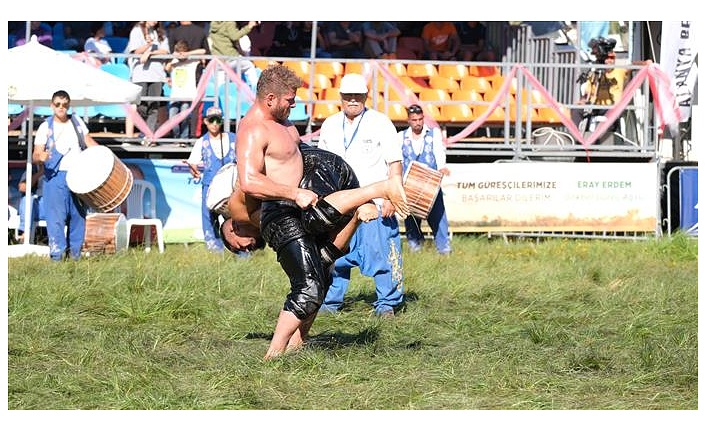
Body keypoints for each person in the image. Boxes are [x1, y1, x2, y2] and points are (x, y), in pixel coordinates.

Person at [233, 64, 409, 359]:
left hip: (303, 205)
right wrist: (294, 192)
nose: (294, 104)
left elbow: (303, 156)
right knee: (308, 285)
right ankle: (272, 357)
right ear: (271, 99)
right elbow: (250, 181)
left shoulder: (285, 124)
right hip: (280, 213)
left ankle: (296, 347)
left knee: (325, 272)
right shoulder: (253, 129)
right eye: (290, 100)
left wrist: (333, 175)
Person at [317, 73, 407, 318]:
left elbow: (394, 163)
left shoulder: (380, 122)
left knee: (382, 253)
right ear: (341, 98)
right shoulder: (330, 124)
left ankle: (387, 303)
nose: (353, 100)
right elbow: (322, 164)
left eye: (358, 96)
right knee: (336, 253)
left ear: (366, 96)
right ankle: (330, 301)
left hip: (375, 202)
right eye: (348, 96)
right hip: (341, 203)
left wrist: (391, 197)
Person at [32, 90, 100, 261]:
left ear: (69, 105)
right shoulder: (45, 126)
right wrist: (41, 156)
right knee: (56, 220)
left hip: (78, 176)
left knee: (78, 217)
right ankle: (57, 257)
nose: (61, 108)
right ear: (51, 106)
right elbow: (35, 154)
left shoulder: (77, 122)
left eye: (65, 104)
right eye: (58, 104)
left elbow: (89, 141)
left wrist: (104, 155)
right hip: (55, 177)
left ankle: (75, 257)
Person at [398, 104, 452, 255]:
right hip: (409, 186)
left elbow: (439, 152)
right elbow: (398, 160)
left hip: (431, 184)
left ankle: (444, 248)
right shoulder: (400, 137)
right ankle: (415, 247)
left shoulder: (433, 133)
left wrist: (442, 166)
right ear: (408, 120)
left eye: (420, 119)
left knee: (439, 217)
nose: (418, 122)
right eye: (414, 120)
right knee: (411, 219)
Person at [186, 107, 236, 253]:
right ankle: (215, 252)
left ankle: (241, 249)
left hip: (232, 188)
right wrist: (194, 171)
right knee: (209, 220)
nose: (214, 123)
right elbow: (193, 163)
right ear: (205, 122)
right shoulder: (201, 142)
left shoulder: (233, 138)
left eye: (218, 120)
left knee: (237, 218)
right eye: (211, 120)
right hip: (210, 188)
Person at [125, 21, 170, 146]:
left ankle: (149, 136)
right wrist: (147, 46)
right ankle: (144, 132)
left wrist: (150, 53)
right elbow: (135, 52)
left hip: (156, 75)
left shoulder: (161, 33)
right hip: (140, 75)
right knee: (141, 105)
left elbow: (165, 51)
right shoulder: (136, 30)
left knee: (154, 106)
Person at [165, 39, 203, 143]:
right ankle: (177, 138)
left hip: (187, 95)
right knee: (172, 118)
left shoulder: (192, 61)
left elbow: (203, 52)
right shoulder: (174, 62)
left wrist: (188, 54)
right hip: (175, 95)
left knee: (185, 117)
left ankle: (184, 139)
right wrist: (174, 56)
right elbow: (167, 68)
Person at [209, 21, 261, 88]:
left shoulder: (213, 24)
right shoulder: (229, 22)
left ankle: (221, 97)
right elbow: (234, 36)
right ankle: (257, 91)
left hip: (218, 59)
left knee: (220, 85)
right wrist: (249, 26)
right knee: (249, 66)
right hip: (230, 57)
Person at [16, 164, 46, 243]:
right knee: (27, 199)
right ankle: (25, 233)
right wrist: (39, 173)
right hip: (36, 206)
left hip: (54, 205)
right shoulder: (33, 167)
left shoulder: (59, 167)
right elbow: (22, 187)